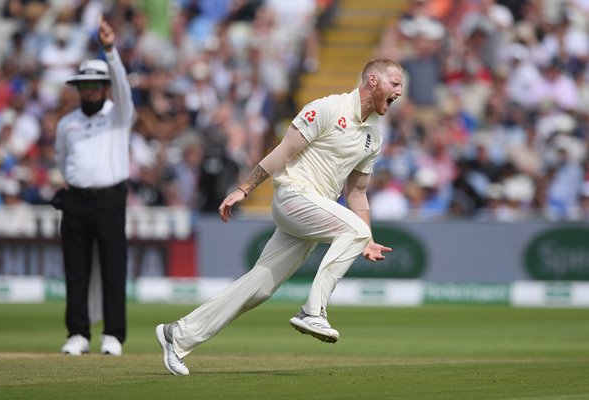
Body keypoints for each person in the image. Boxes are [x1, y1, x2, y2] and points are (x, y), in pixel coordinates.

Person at [155, 58, 403, 375]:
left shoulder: (373, 136)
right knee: (353, 230)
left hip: (314, 213)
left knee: (259, 287)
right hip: (293, 196)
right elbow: (283, 152)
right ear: (372, 81)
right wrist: (244, 189)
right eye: (394, 84)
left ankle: (178, 335)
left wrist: (365, 240)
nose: (399, 91)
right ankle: (314, 311)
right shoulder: (328, 108)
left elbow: (356, 193)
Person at [54, 16, 135, 356]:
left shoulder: (119, 114)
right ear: (79, 90)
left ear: (104, 88)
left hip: (110, 201)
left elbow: (122, 84)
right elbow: (62, 160)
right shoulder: (67, 123)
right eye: (84, 87)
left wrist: (110, 50)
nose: (89, 91)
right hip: (76, 202)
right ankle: (78, 334)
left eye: (95, 86)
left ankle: (113, 335)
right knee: (76, 271)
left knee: (114, 270)